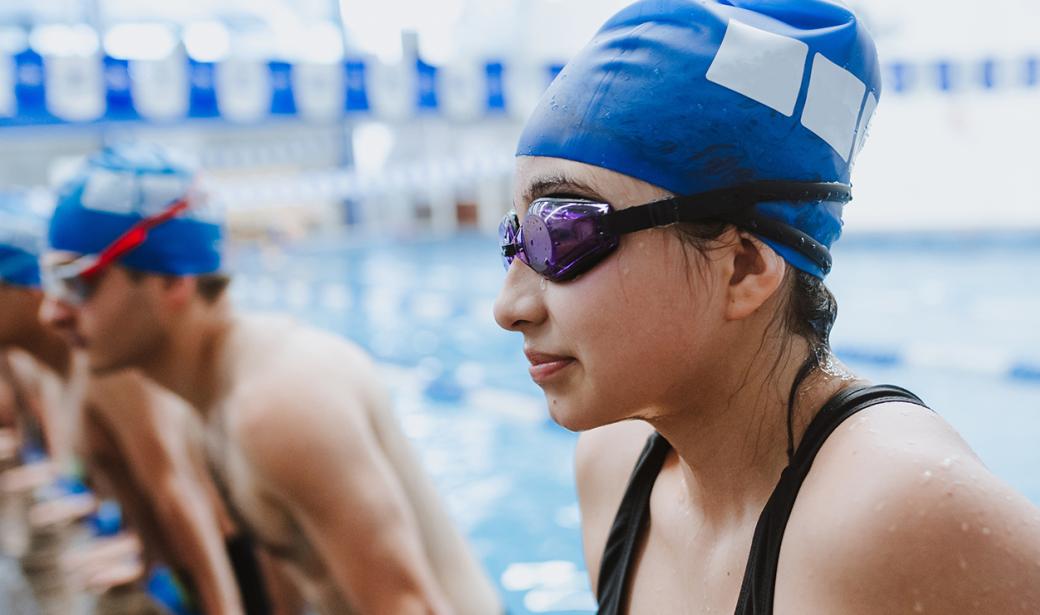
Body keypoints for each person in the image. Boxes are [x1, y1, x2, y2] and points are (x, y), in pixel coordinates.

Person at [493, 1, 1040, 613]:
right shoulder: (614, 467)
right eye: (516, 237)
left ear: (745, 268)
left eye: (562, 231)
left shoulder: (900, 512)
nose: (509, 305)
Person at [41, 143, 502, 615]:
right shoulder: (205, 395)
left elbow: (407, 606)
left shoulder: (279, 404)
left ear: (172, 281)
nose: (51, 311)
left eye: (78, 282)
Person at [0, 206, 246, 613]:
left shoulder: (106, 370)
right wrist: (142, 555)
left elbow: (182, 499)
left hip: (221, 571)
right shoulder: (63, 367)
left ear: (26, 291)